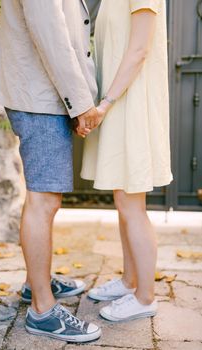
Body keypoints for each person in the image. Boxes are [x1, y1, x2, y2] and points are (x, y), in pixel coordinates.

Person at [0, 0, 101, 343]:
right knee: (44, 200)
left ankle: (34, 282)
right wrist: (80, 102)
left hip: (38, 90)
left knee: (42, 196)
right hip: (39, 94)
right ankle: (42, 310)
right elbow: (49, 32)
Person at [80, 0, 173, 322]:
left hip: (131, 105)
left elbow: (138, 51)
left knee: (132, 204)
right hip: (120, 102)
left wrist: (105, 104)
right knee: (124, 199)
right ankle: (129, 281)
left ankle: (145, 296)